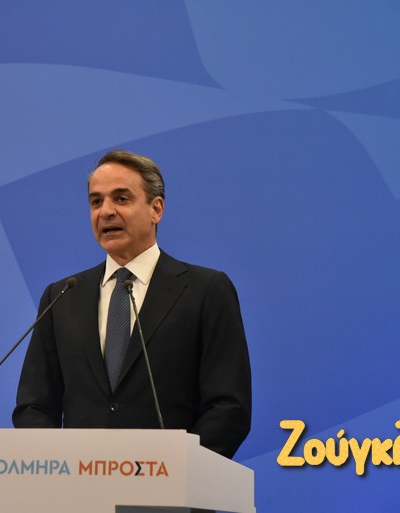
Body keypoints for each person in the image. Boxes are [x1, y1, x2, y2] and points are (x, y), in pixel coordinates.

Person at [13, 149, 251, 458]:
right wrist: (57, 467)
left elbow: (228, 407)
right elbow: (34, 406)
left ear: (156, 209)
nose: (106, 211)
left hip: (170, 482)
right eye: (96, 201)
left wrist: (175, 470)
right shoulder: (61, 296)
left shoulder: (206, 290)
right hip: (78, 483)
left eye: (121, 198)